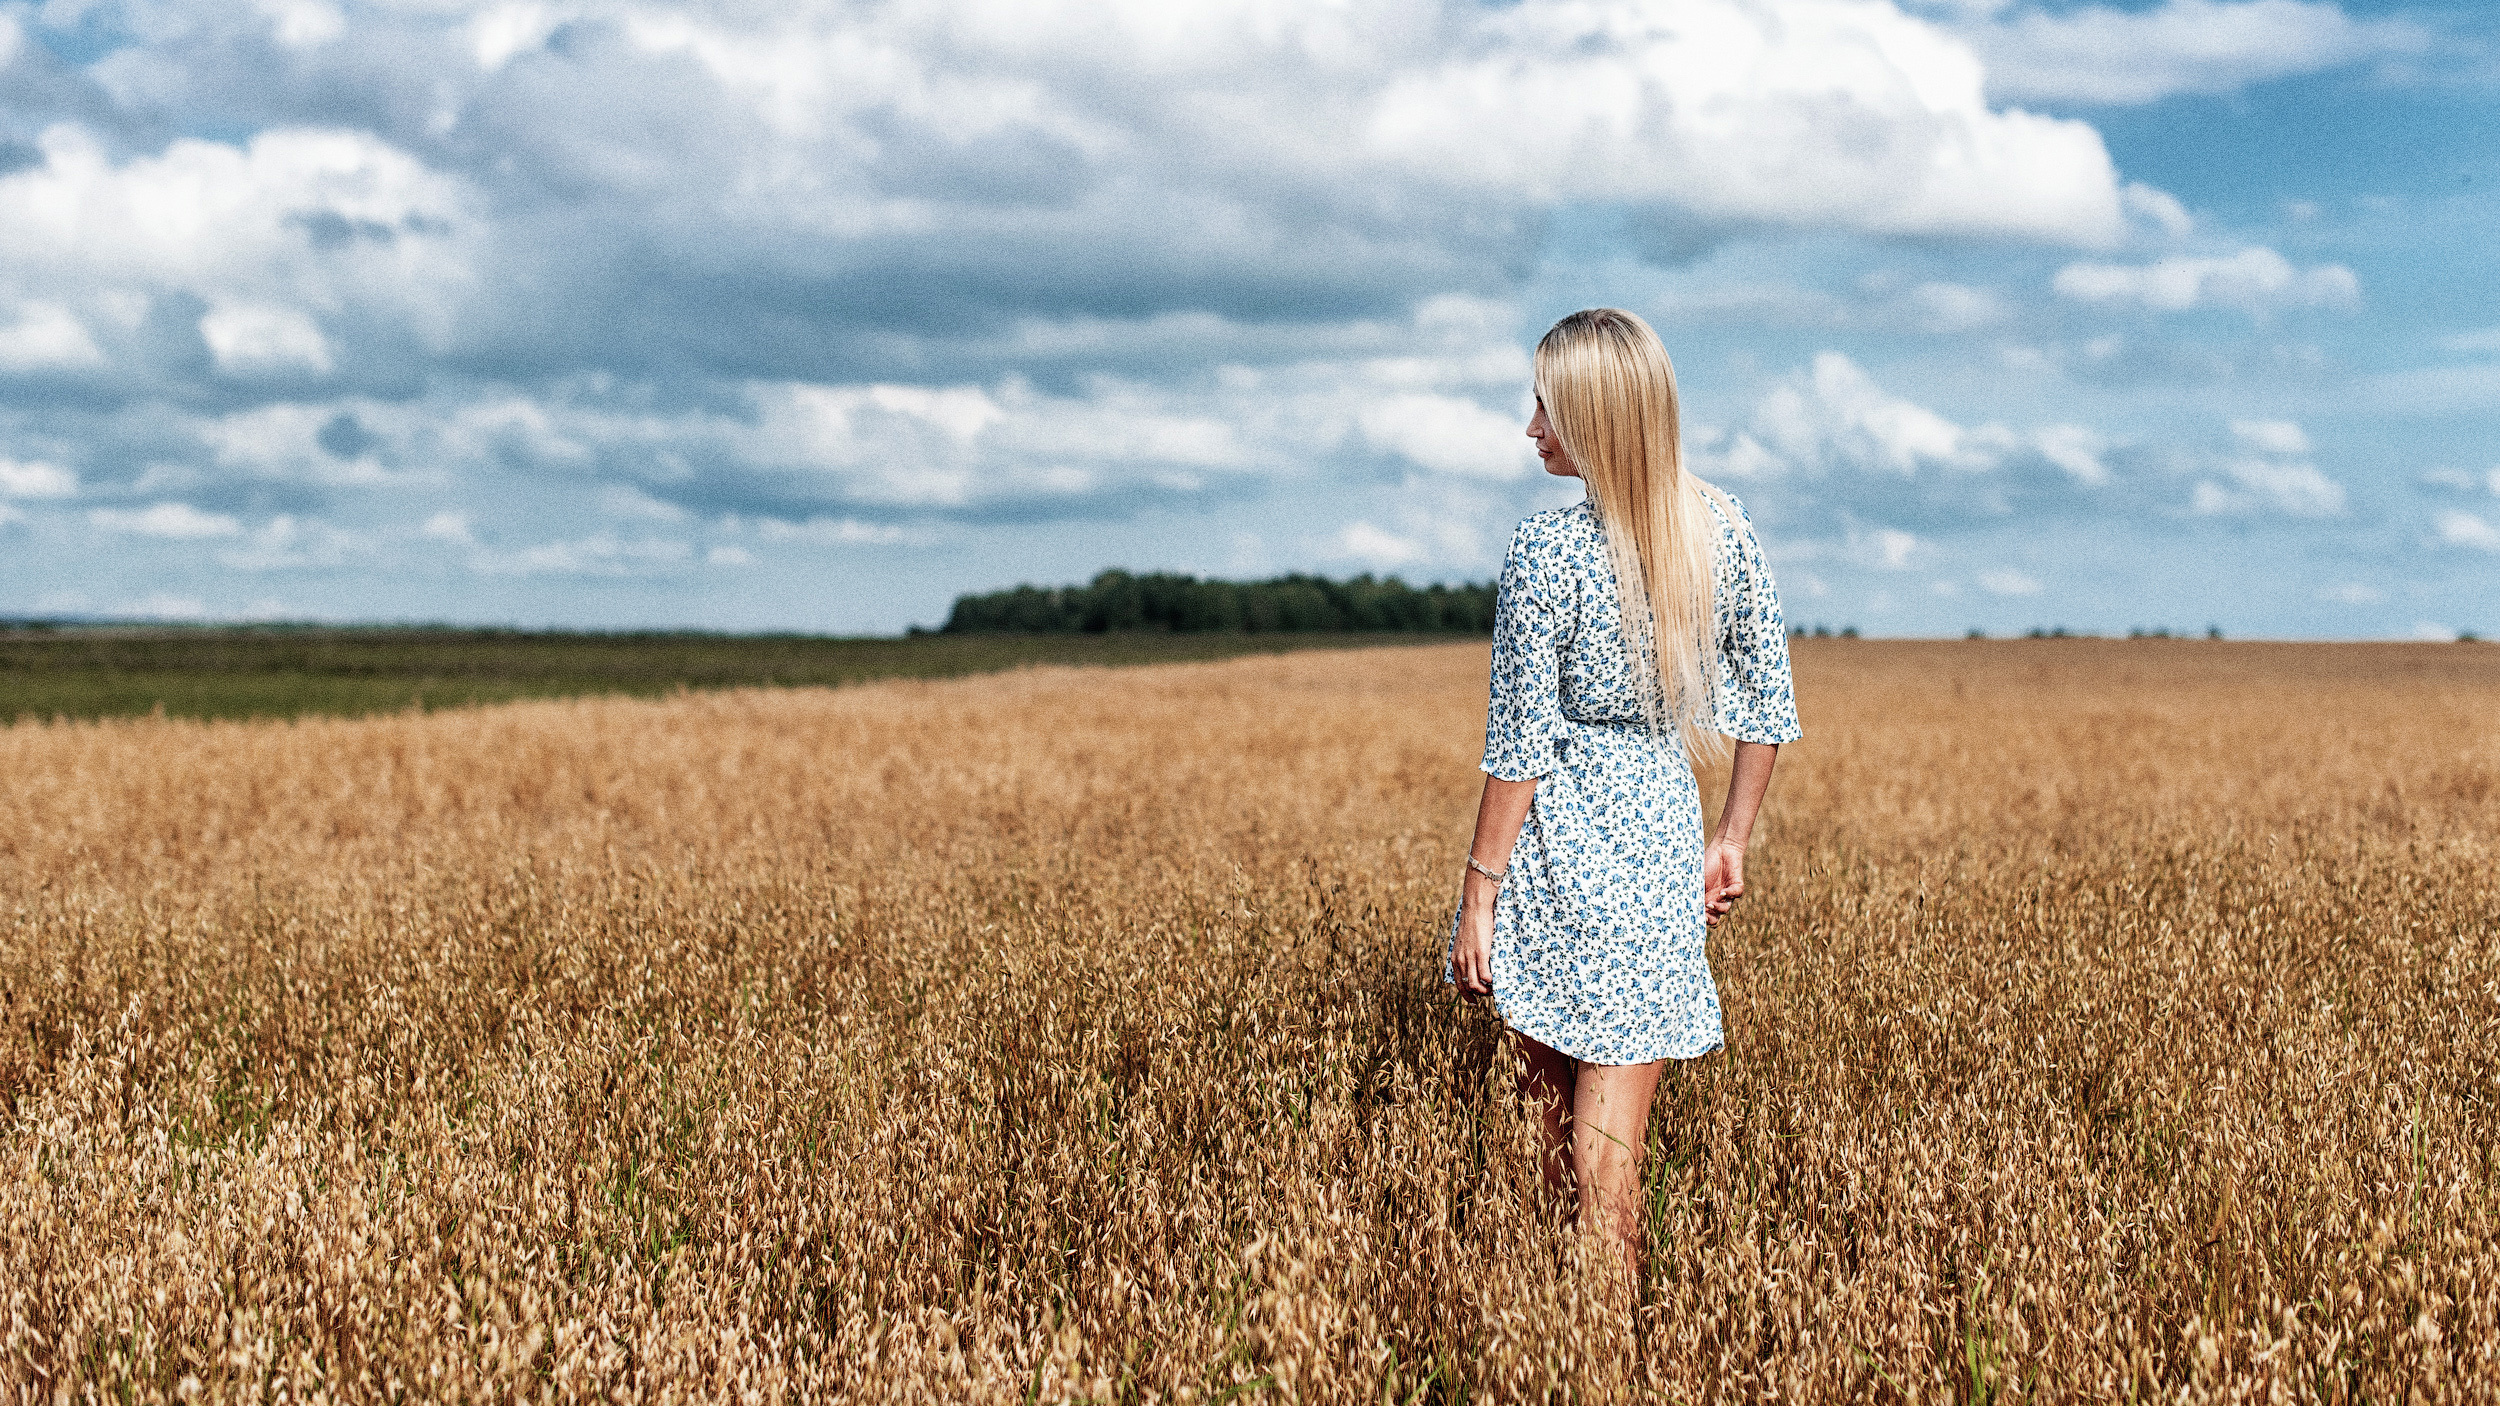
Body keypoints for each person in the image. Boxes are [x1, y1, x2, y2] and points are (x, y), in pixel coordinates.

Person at [1448, 307, 1802, 1278]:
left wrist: (1479, 893)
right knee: (1609, 1161)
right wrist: (1728, 838)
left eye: (1545, 406)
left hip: (1554, 850)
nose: (1530, 426)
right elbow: (1767, 703)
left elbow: (1518, 743)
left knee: (1552, 1146)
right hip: (1655, 838)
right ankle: (1606, 1348)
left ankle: (1579, 1351)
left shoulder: (1545, 551)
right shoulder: (1721, 529)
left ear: (1595, 417)